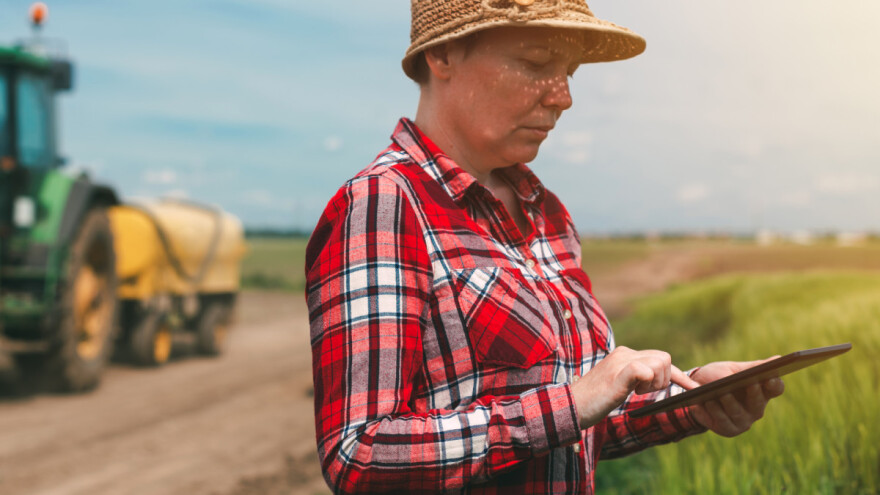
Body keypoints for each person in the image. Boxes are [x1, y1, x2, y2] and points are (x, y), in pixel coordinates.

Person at [305, 1, 784, 493]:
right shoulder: (384, 204)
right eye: (535, 63)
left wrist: (691, 400)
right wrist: (572, 404)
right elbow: (357, 454)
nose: (564, 97)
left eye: (569, 72)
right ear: (444, 54)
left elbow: (575, 429)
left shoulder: (547, 212)